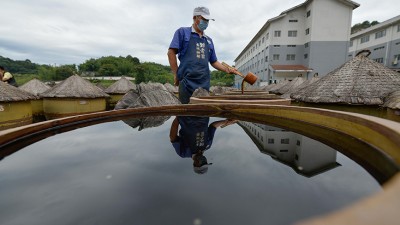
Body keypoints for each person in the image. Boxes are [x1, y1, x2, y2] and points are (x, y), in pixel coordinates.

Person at [167, 6, 236, 104]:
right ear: (194, 18)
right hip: (187, 82)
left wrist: (226, 69)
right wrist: (176, 74)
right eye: (203, 19)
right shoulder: (183, 32)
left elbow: (213, 61)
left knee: (203, 114)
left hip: (204, 83)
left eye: (208, 20)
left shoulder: (208, 40)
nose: (206, 22)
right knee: (186, 114)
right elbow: (171, 52)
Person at [169, 116, 237, 174]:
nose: (204, 161)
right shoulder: (207, 145)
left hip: (187, 116)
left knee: (189, 100)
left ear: (195, 164)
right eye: (205, 163)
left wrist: (177, 119)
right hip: (204, 115)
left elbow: (173, 138)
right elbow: (213, 126)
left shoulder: (183, 153)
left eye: (202, 164)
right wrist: (226, 122)